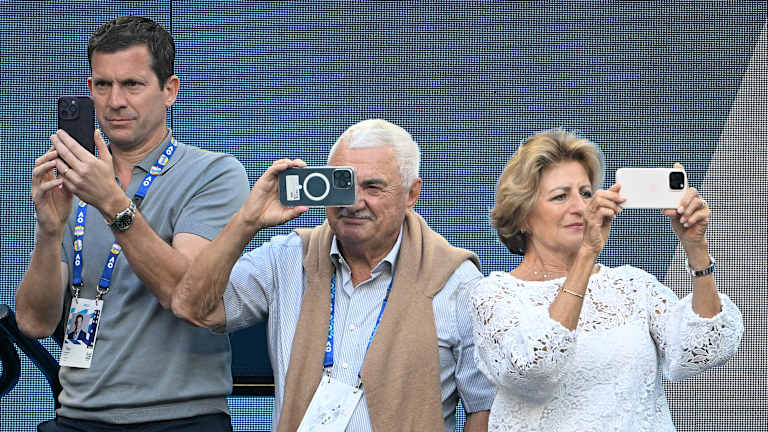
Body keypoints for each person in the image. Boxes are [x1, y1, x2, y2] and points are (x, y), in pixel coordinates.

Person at [172, 119, 494, 431]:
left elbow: (484, 408)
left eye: (373, 187)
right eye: (343, 183)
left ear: (411, 195)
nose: (354, 203)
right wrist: (247, 222)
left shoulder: (456, 283)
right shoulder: (288, 258)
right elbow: (193, 306)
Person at [16, 15, 249, 431]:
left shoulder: (214, 173)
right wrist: (49, 231)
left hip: (181, 417)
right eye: (102, 85)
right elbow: (34, 323)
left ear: (169, 90)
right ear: (89, 90)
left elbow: (186, 294)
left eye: (132, 85)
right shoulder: (71, 180)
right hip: (77, 416)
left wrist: (110, 200)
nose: (115, 101)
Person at [469, 128, 743, 431]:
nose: (580, 206)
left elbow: (705, 348)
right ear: (522, 215)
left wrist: (695, 247)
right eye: (561, 196)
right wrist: (587, 253)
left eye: (586, 193)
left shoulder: (632, 286)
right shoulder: (495, 294)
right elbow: (535, 371)